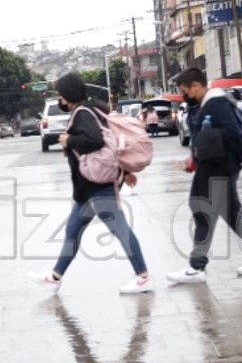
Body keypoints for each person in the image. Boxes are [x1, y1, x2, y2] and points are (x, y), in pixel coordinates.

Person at [31, 72, 153, 294]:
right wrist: (124, 172)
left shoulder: (82, 113)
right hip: (86, 190)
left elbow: (95, 141)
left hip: (97, 187)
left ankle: (143, 277)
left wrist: (69, 140)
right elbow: (108, 145)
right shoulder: (90, 110)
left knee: (121, 231)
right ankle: (54, 278)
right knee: (72, 232)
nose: (60, 99)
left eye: (61, 95)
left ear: (68, 94)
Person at [167, 67, 242, 283]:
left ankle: (197, 267)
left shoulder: (216, 103)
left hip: (218, 167)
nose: (184, 97)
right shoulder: (206, 104)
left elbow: (229, 132)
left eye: (185, 92)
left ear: (196, 85)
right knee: (232, 213)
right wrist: (195, 156)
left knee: (202, 211)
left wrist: (202, 148)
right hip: (218, 166)